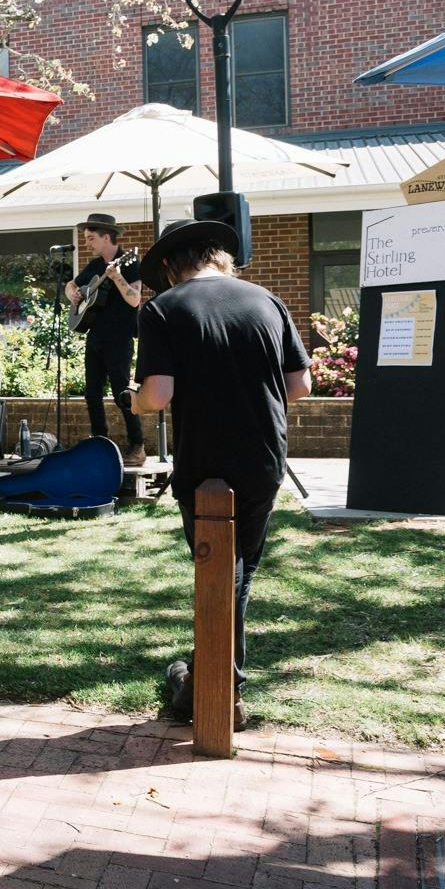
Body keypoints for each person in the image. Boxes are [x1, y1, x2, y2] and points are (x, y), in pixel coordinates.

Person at [129, 219, 311, 728]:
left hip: (203, 460)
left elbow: (158, 395)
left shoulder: (163, 309)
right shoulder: (267, 301)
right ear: (219, 256)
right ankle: (212, 687)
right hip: (263, 457)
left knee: (218, 572)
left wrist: (136, 399)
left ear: (170, 266)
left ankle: (216, 693)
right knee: (238, 571)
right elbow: (301, 386)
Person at [65, 212, 147, 466]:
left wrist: (117, 277)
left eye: (91, 238)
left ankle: (138, 446)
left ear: (107, 237)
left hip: (119, 337)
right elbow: (71, 285)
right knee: (91, 393)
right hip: (96, 336)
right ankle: (100, 443)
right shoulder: (95, 265)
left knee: (121, 392)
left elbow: (135, 299)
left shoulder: (130, 262)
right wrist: (75, 295)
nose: (87, 243)